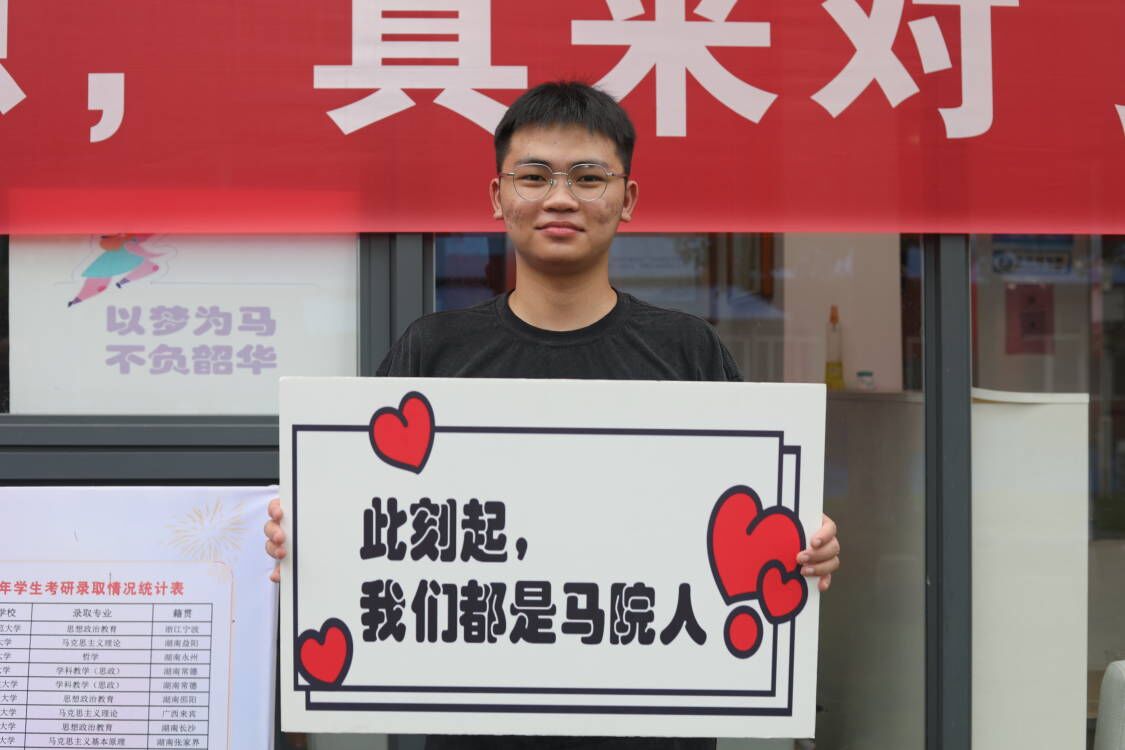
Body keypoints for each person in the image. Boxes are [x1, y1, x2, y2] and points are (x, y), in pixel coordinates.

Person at [264, 81, 841, 750]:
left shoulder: (688, 350)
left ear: (627, 199)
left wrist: (805, 544)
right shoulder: (433, 351)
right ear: (497, 196)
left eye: (588, 178)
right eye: (534, 176)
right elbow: (370, 514)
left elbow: (749, 516)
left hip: (654, 730)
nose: (560, 198)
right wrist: (306, 537)